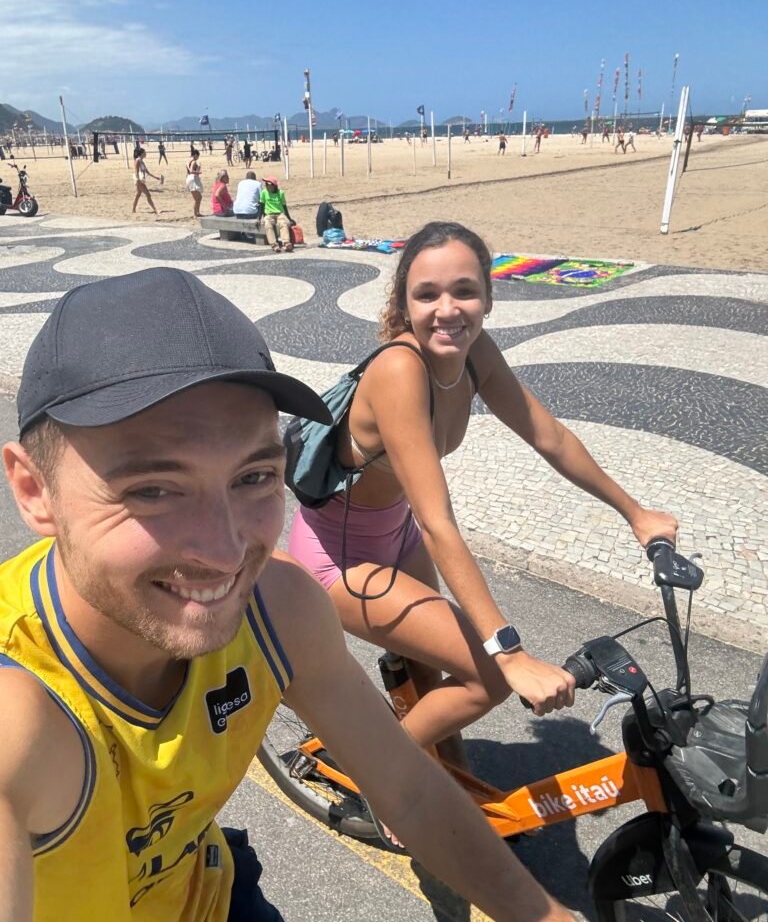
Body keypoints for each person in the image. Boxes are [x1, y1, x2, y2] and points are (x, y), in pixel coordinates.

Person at [0, 267, 575, 922]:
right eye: (153, 490)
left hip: (210, 893)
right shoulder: (18, 712)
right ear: (33, 491)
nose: (223, 551)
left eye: (253, 476)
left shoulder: (277, 608)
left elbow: (409, 791)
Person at [288, 222, 678, 764]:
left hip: (394, 535)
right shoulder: (400, 370)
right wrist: (510, 651)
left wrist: (636, 514)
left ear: (489, 298)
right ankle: (370, 771)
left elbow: (551, 437)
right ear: (405, 302)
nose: (448, 309)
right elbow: (437, 520)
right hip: (337, 560)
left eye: (464, 291)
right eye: (427, 295)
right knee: (489, 678)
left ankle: (441, 781)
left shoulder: (474, 352)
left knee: (428, 672)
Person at [259, 176, 294, 253]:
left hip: (279, 213)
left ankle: (286, 242)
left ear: (273, 185)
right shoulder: (264, 192)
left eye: (268, 184)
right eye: (266, 184)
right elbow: (261, 206)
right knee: (267, 224)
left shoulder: (281, 193)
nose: (266, 186)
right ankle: (274, 244)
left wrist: (289, 218)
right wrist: (258, 218)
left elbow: (284, 206)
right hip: (268, 214)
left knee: (284, 223)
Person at [131, 148, 158, 215]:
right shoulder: (138, 160)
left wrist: (156, 177)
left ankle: (133, 209)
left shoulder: (141, 161)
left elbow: (147, 172)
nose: (146, 154)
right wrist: (138, 180)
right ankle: (155, 209)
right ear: (141, 153)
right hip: (139, 180)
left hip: (141, 179)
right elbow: (136, 171)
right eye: (145, 152)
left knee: (138, 194)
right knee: (148, 195)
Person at [186, 148, 203, 217]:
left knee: (198, 197)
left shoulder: (188, 162)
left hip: (189, 179)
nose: (198, 157)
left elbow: (188, 172)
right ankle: (196, 213)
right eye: (198, 156)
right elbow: (191, 171)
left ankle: (197, 212)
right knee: (198, 198)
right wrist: (199, 172)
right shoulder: (194, 162)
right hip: (193, 179)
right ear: (195, 155)